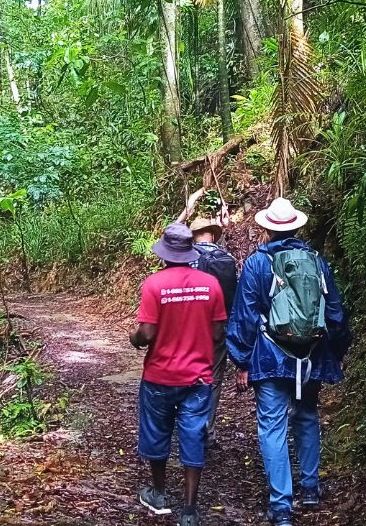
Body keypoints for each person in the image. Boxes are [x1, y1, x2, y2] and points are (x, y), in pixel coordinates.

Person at [226, 198, 352, 526]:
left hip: (270, 356)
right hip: (311, 355)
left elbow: (245, 315)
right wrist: (333, 354)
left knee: (272, 425)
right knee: (307, 416)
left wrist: (241, 360)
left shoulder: (257, 264)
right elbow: (335, 313)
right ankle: (310, 489)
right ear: (297, 226)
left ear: (267, 228)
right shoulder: (316, 261)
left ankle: (281, 505)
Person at [131, 223, 227, 526]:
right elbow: (217, 331)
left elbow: (147, 332)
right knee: (193, 434)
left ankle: (159, 494)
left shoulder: (154, 285)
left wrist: (134, 339)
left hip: (160, 375)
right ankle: (189, 508)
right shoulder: (210, 284)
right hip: (198, 377)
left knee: (157, 433)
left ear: (165, 254)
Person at [187, 216, 237, 446]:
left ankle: (188, 424)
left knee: (186, 373)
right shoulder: (227, 259)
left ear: (193, 235)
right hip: (218, 327)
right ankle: (208, 428)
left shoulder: (185, 259)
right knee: (213, 377)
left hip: (188, 328)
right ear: (214, 235)